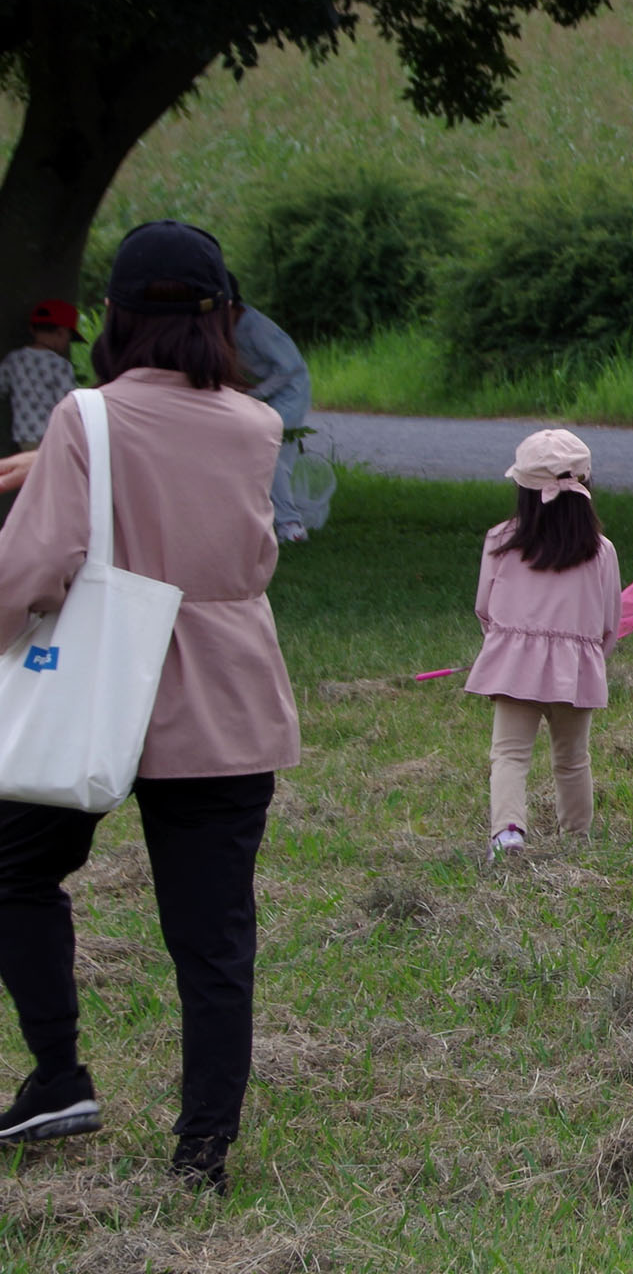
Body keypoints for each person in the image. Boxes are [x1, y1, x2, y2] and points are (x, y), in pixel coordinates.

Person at [0, 221, 301, 1194]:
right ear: (223, 318)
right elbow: (244, 550)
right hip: (227, 698)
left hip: (94, 687)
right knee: (214, 940)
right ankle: (202, 1152)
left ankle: (57, 1072)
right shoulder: (258, 427)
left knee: (13, 869)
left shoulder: (84, 416)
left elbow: (37, 565)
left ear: (114, 316)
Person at [465, 430, 621, 860]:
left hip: (514, 665)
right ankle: (577, 836)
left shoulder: (500, 541)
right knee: (572, 758)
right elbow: (610, 619)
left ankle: (508, 832)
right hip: (577, 669)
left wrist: (506, 644)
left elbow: (485, 608)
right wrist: (591, 658)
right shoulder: (601, 551)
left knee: (510, 755)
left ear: (523, 490)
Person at [229, 289, 313, 544]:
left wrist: (255, 393)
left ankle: (291, 525)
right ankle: (261, 519)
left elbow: (290, 368)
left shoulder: (256, 326)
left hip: (290, 395)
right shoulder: (230, 327)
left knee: (271, 453)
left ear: (230, 304)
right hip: (268, 394)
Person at [2, 300, 80, 453]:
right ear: (62, 332)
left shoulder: (13, 360)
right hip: (52, 436)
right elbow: (67, 404)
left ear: (32, 329)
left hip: (23, 437)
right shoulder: (61, 366)